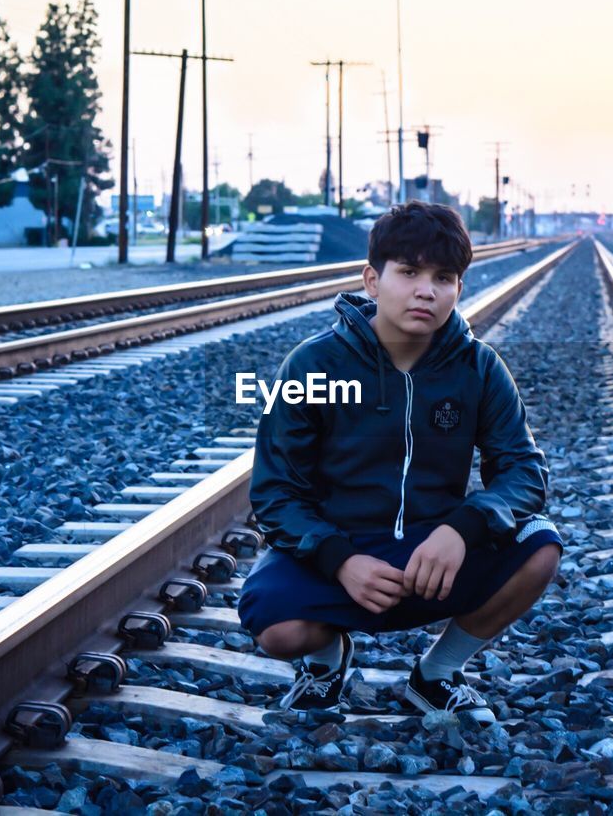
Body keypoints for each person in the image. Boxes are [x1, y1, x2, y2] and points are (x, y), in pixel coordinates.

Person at [237, 201, 561, 722]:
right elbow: (275, 492)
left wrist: (464, 528)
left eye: (444, 277)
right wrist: (339, 559)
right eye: (408, 272)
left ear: (459, 288)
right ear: (373, 279)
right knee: (276, 624)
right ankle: (325, 665)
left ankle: (436, 676)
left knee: (539, 545)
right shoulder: (312, 365)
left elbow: (524, 470)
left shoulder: (479, 368)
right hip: (340, 549)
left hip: (431, 554)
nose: (426, 290)